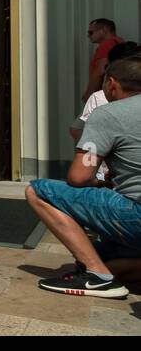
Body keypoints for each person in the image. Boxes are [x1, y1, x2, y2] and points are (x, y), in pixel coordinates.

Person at [26, 55, 141, 298]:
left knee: (37, 190)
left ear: (111, 83)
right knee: (104, 252)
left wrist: (100, 183)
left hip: (136, 215)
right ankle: (111, 266)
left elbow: (79, 176)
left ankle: (99, 277)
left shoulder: (109, 114)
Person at [82, 18, 124, 103]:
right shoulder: (120, 43)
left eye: (91, 32)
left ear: (103, 30)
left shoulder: (106, 45)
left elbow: (100, 71)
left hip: (104, 95)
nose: (88, 36)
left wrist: (89, 94)